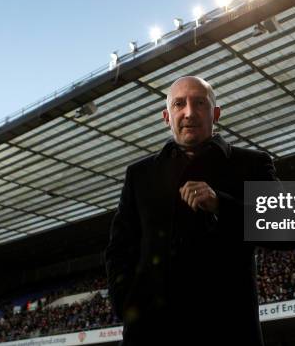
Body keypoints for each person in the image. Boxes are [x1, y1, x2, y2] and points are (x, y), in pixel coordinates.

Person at [105, 76, 281, 346]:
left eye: (199, 103)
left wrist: (221, 204)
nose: (189, 112)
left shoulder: (252, 164)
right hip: (151, 334)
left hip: (227, 331)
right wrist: (127, 307)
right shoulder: (140, 175)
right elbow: (120, 249)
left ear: (216, 113)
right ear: (166, 116)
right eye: (179, 104)